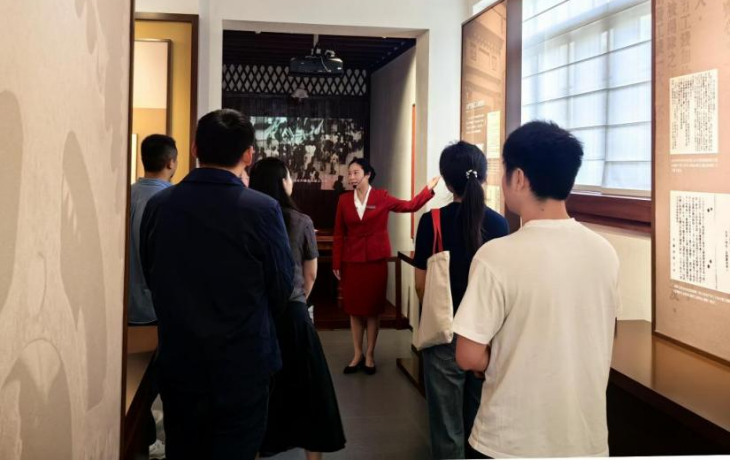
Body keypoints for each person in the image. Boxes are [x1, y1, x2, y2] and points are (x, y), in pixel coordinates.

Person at [453, 121, 621, 458]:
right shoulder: (605, 252)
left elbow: (467, 355)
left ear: (518, 178)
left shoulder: (496, 256)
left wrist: (501, 356)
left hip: (509, 440)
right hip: (585, 441)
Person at [140, 109, 294, 460]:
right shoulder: (262, 209)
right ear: (248, 155)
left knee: (183, 449)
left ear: (195, 148)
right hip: (243, 361)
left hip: (181, 358)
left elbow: (151, 273)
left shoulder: (160, 205)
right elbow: (281, 286)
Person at [413, 141, 509, 460]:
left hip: (445, 333)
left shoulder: (431, 221)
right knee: (480, 421)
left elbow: (421, 286)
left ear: (447, 181)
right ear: (482, 177)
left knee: (446, 426)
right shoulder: (499, 224)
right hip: (486, 336)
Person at [250, 158, 347, 461]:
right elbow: (311, 273)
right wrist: (300, 301)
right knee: (310, 390)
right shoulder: (301, 221)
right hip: (293, 313)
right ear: (283, 182)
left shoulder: (249, 217)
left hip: (257, 316)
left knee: (259, 391)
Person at [333, 158, 440, 375]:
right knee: (354, 310)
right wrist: (336, 261)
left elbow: (410, 206)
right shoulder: (343, 200)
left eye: (355, 172)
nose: (351, 177)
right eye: (349, 173)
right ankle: (357, 354)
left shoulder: (381, 197)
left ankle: (370, 355)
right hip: (352, 261)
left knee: (373, 310)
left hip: (375, 261)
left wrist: (427, 190)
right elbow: (338, 233)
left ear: (367, 174)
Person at [127, 134, 179, 460]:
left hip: (126, 307)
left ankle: (143, 440)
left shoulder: (126, 194)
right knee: (163, 382)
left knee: (134, 384)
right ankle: (152, 442)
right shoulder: (171, 201)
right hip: (157, 308)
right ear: (171, 162)